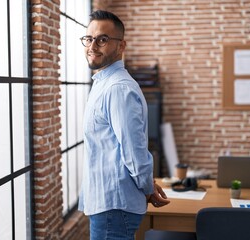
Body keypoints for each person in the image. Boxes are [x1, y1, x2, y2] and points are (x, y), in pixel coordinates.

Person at [78, 10, 170, 240]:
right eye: (89, 39)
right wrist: (147, 183)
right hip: (107, 203)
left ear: (121, 46)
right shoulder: (103, 83)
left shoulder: (118, 88)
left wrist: (147, 187)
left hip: (114, 207)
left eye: (102, 39)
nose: (92, 46)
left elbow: (133, 150)